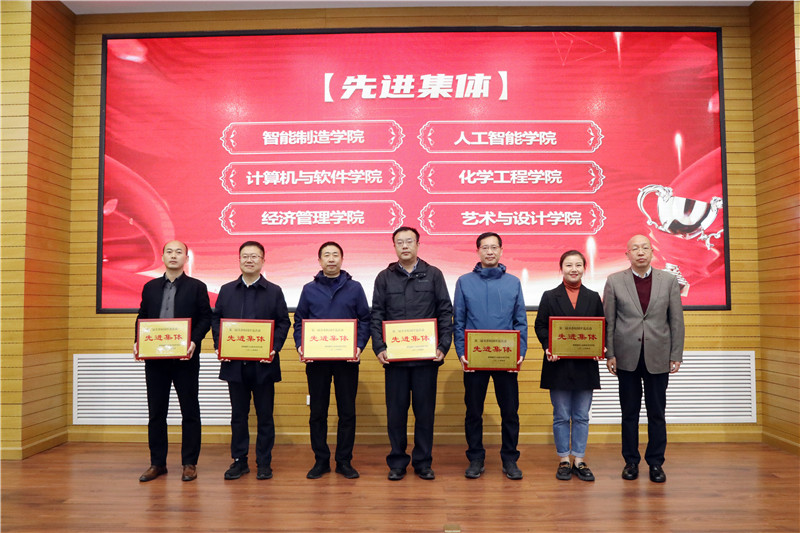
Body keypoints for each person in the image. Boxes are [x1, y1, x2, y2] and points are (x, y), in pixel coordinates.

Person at [371, 226, 453, 481]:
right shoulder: (384, 277)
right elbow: (377, 314)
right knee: (396, 414)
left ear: (418, 244)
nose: (405, 246)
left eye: (409, 241)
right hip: (395, 360)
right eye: (400, 242)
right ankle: (397, 462)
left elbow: (445, 312)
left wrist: (443, 346)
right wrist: (379, 347)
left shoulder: (434, 274)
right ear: (394, 246)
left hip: (425, 360)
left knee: (424, 414)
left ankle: (423, 462)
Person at [604, 234, 684, 483]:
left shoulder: (668, 281)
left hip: (658, 355)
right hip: (626, 356)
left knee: (657, 412)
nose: (640, 252)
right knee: (629, 413)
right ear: (627, 254)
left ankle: (656, 463)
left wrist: (676, 354)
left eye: (645, 248)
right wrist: (610, 353)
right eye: (635, 249)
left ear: (652, 252)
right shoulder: (615, 281)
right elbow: (609, 321)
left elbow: (676, 321)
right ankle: (631, 461)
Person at [134, 240, 212, 483]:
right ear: (162, 257)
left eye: (179, 252)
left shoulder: (197, 287)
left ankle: (189, 463)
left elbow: (205, 318)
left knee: (190, 411)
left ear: (186, 258)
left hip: (185, 358)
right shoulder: (150, 287)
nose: (174, 255)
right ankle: (157, 463)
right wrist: (137, 341)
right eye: (169, 251)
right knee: (156, 412)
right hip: (155, 359)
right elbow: (142, 317)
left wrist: (195, 341)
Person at [212, 241, 290, 481]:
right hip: (235, 365)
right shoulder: (226, 290)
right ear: (239, 260)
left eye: (254, 256)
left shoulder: (274, 291)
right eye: (245, 256)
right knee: (238, 416)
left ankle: (264, 463)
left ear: (263, 261)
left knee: (265, 416)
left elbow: (283, 322)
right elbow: (217, 320)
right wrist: (220, 345)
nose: (249, 260)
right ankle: (239, 461)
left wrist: (274, 347)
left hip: (264, 365)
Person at [293, 242, 371, 480]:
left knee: (347, 412)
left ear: (342, 259)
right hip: (317, 360)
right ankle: (321, 460)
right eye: (326, 255)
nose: (331, 259)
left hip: (347, 360)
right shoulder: (309, 289)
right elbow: (299, 321)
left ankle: (344, 461)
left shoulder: (355, 288)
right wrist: (301, 345)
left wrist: (359, 346)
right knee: (318, 412)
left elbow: (365, 319)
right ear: (319, 261)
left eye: (335, 255)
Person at [453, 232, 527, 480]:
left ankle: (510, 459)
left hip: (506, 358)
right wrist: (462, 352)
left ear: (501, 251)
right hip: (474, 359)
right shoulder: (464, 282)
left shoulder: (513, 282)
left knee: (510, 411)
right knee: (474, 411)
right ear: (478, 251)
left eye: (494, 247)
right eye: (485, 247)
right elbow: (459, 321)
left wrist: (520, 352)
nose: (490, 252)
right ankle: (476, 458)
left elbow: (520, 321)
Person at [534, 250, 604, 482]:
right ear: (561, 268)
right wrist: (548, 346)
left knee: (582, 415)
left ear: (584, 268)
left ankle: (580, 460)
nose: (573, 269)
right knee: (562, 415)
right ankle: (564, 459)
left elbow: (601, 326)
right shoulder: (549, 296)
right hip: (558, 366)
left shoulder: (593, 297)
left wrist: (600, 346)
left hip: (585, 366)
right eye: (568, 265)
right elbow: (540, 326)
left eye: (578, 265)